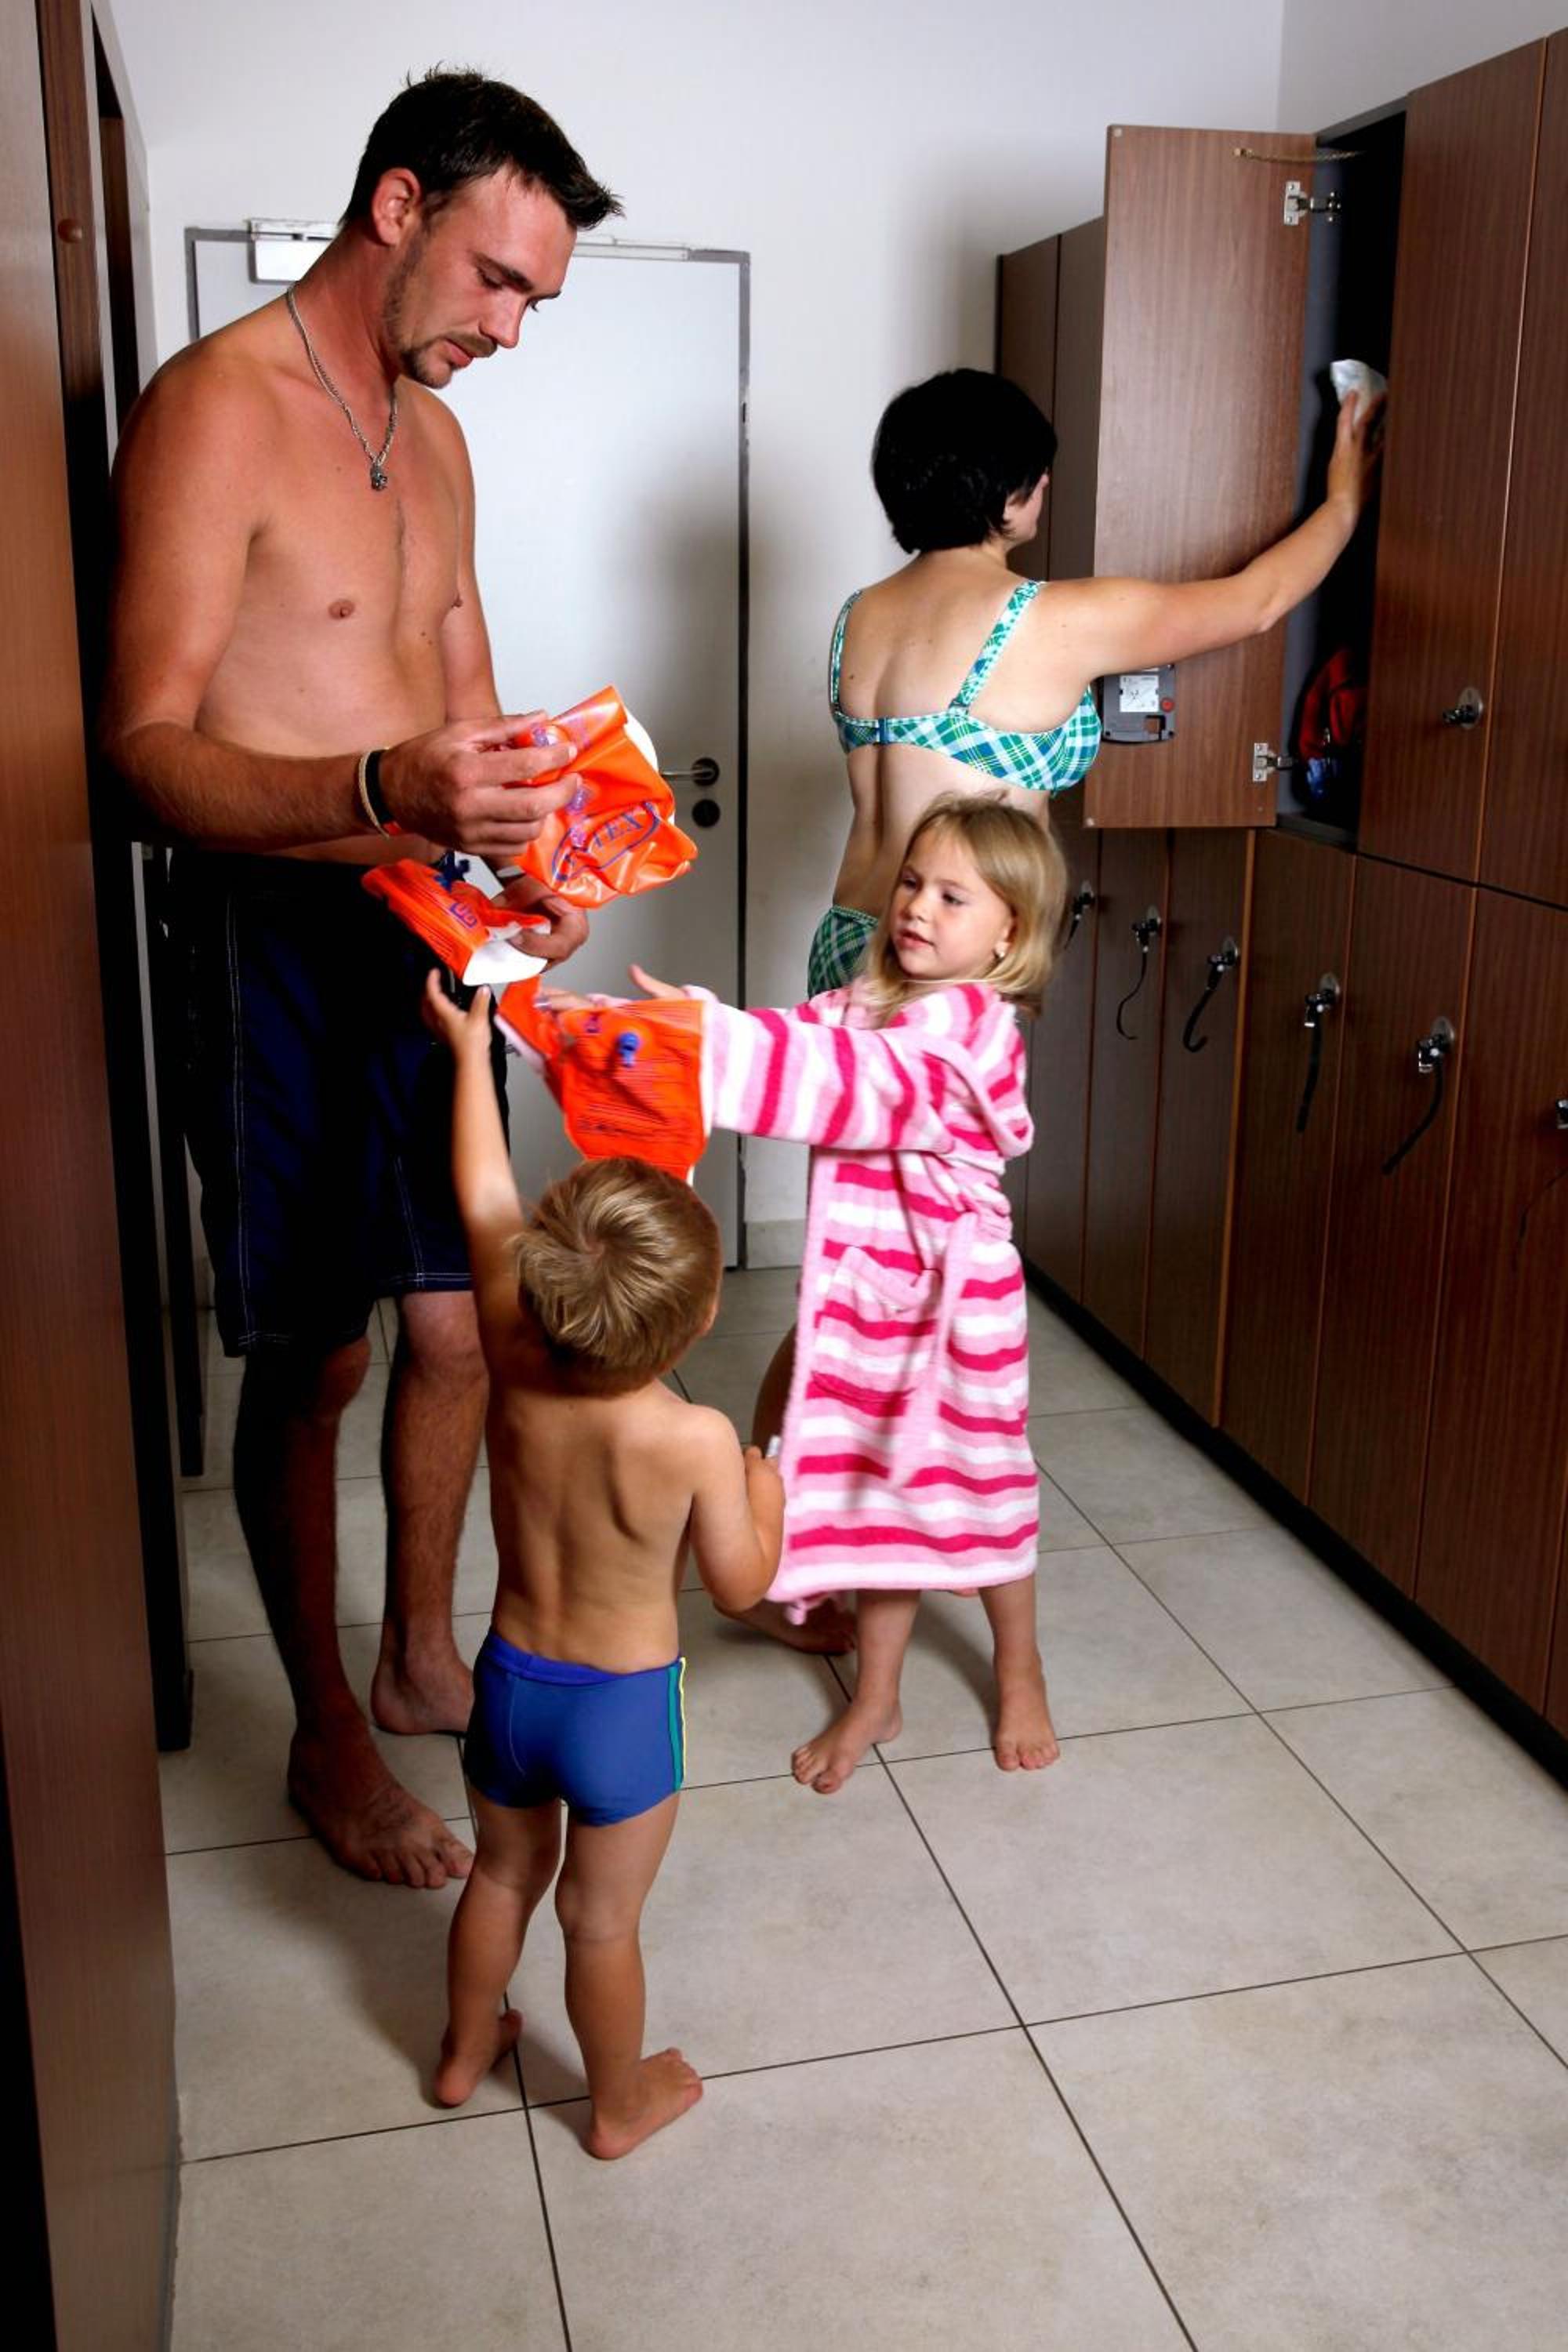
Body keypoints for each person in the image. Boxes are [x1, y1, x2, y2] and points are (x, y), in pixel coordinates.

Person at [100, 71, 621, 1889]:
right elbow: (140, 752)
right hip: (273, 920)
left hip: (427, 915)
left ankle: (416, 1652)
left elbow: (470, 706)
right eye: (496, 280)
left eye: (536, 300)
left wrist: (529, 865)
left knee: (464, 1320)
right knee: (320, 1350)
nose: (508, 329)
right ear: (398, 206)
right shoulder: (214, 410)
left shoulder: (438, 437)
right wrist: (383, 785)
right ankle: (326, 1732)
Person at [744, 361, 1385, 1494]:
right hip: (938, 982)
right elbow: (1254, 602)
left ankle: (767, 1497)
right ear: (1013, 491)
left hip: (852, 943)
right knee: (917, 1277)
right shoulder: (1045, 619)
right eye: (1038, 478)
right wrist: (1344, 488)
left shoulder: (862, 617)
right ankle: (902, 1520)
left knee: (856, 1262)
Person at [593, 792, 1065, 1791]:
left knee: (984, 1491)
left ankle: (1019, 1667)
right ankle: (876, 1697)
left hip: (957, 1318)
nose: (916, 907)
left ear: (1007, 934)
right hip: (872, 1307)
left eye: (952, 897)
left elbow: (845, 1084)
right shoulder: (870, 1002)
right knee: (879, 1498)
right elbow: (794, 1042)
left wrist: (706, 1046)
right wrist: (676, 1030)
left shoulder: (970, 1035)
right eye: (911, 882)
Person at [421, 976, 783, 2154]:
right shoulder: (694, 1440)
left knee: (501, 1875)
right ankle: (617, 2107)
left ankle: (464, 2048)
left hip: (511, 1680)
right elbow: (741, 1586)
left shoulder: (511, 1345)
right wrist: (765, 1490)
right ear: (700, 1320)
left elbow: (483, 1195)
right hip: (619, 1711)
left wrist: (469, 1055)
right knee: (599, 1920)